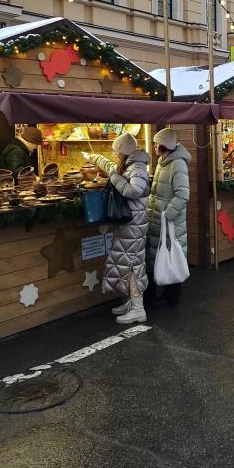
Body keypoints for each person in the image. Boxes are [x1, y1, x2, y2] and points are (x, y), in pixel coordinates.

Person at [87, 133, 150, 325]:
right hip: (131, 222)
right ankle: (132, 303)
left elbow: (134, 191)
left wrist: (113, 176)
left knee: (131, 264)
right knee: (127, 261)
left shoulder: (137, 167)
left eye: (116, 152)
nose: (115, 156)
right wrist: (100, 161)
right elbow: (117, 174)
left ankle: (138, 309)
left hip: (133, 223)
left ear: (124, 152)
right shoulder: (131, 165)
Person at [146, 128, 191, 307]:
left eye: (157, 143)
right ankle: (160, 294)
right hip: (157, 220)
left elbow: (182, 195)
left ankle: (171, 296)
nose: (155, 146)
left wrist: (167, 214)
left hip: (170, 223)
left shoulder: (177, 163)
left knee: (171, 257)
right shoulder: (162, 161)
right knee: (158, 256)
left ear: (164, 145)